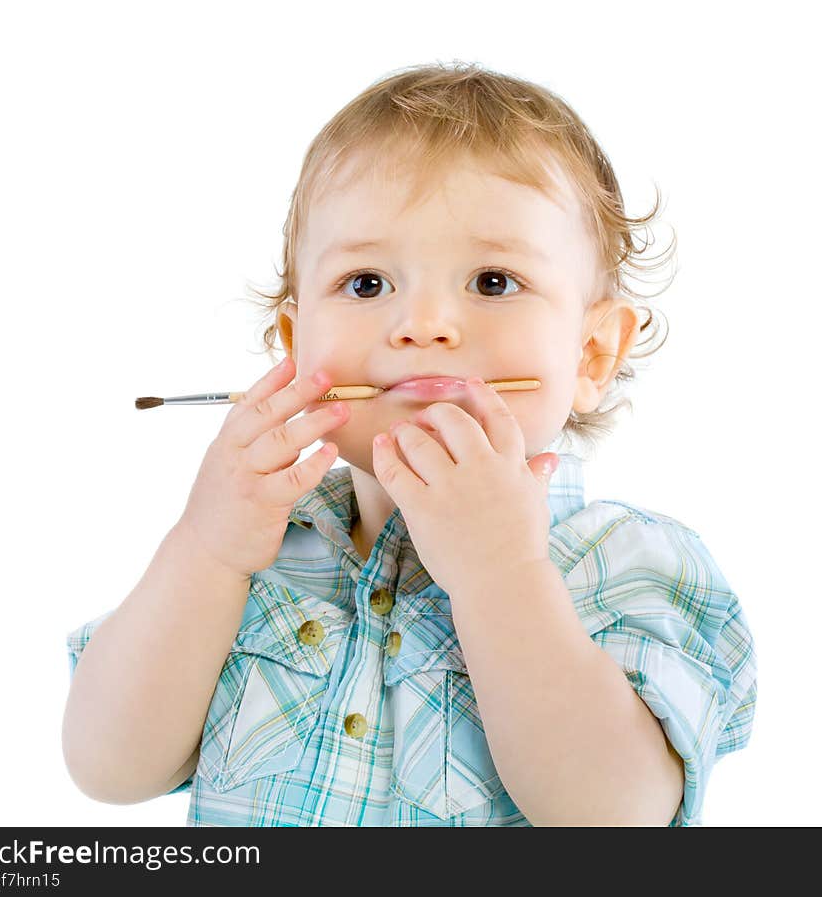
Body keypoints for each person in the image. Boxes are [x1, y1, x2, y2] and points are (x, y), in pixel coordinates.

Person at [62, 61, 757, 827]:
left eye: (493, 281)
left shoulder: (624, 563)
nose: (424, 324)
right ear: (297, 344)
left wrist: (500, 575)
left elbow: (618, 816)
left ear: (590, 355)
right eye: (366, 283)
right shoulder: (248, 556)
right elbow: (108, 769)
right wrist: (206, 549)